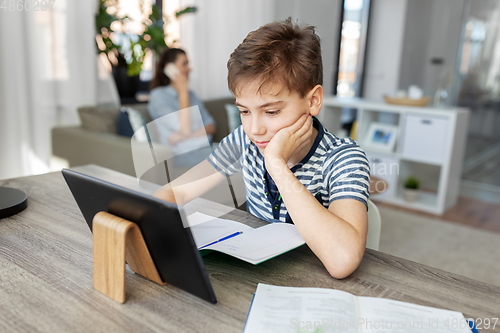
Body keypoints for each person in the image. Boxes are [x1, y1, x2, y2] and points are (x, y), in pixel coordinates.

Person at [153, 19, 370, 279]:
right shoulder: (244, 141)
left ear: (312, 101)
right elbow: (174, 191)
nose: (255, 129)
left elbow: (342, 260)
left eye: (272, 111)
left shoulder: (343, 158)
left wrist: (277, 165)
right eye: (244, 111)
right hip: (257, 277)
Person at [148, 48, 216, 167]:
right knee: (234, 155)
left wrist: (188, 136)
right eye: (184, 64)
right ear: (169, 68)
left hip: (202, 147)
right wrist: (182, 91)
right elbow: (183, 129)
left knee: (240, 151)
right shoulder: (158, 96)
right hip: (180, 155)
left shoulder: (192, 95)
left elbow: (211, 126)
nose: (189, 68)